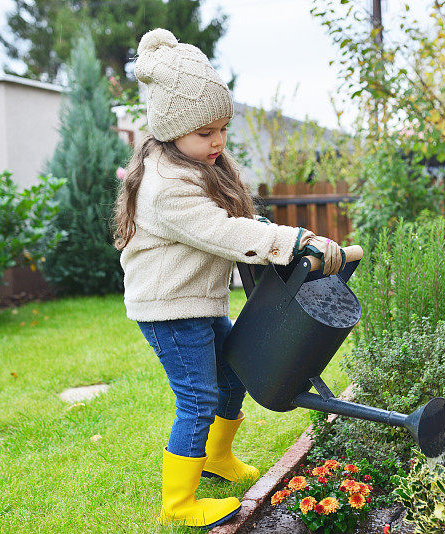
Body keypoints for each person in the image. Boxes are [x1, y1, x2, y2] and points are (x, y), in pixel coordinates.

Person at [113, 28, 345, 529]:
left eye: (222, 128)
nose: (217, 141)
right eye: (205, 132)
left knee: (234, 368)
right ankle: (178, 503)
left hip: (195, 302)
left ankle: (217, 457)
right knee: (196, 397)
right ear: (171, 130)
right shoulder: (166, 187)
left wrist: (266, 230)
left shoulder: (195, 166)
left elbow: (236, 221)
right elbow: (219, 231)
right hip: (169, 310)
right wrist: (293, 240)